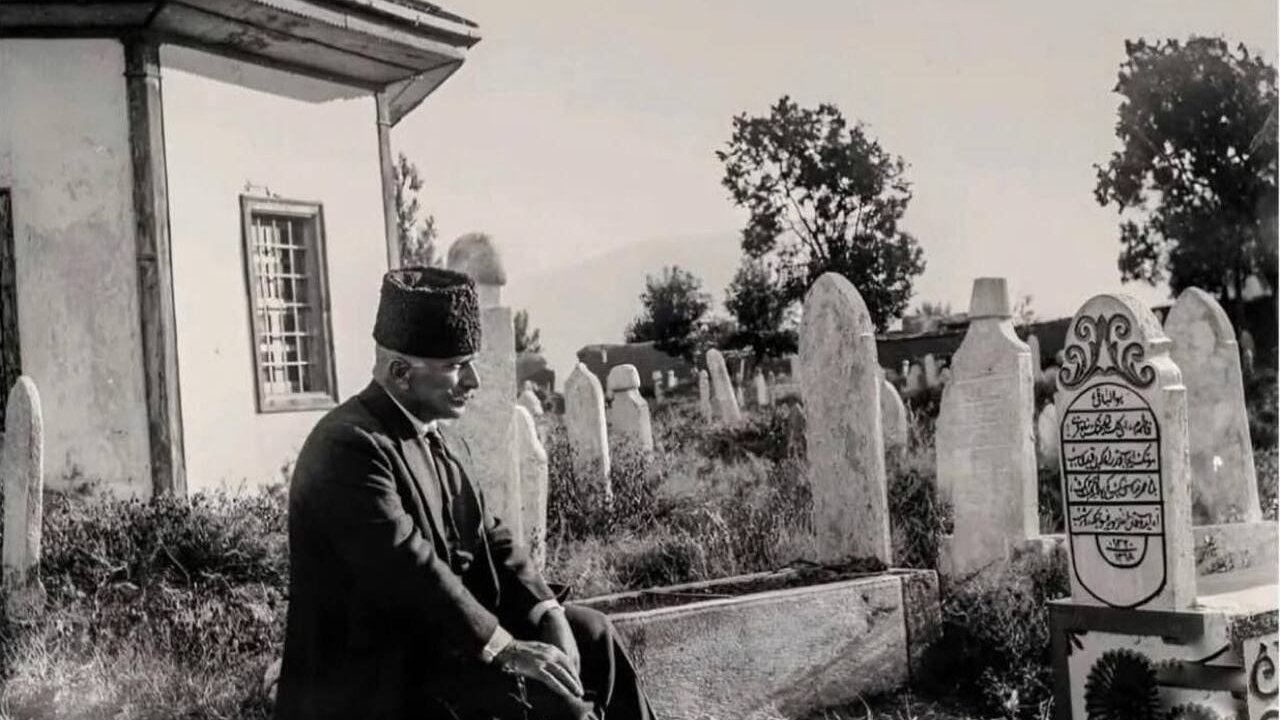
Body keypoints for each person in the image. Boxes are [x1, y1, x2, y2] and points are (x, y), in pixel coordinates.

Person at [275, 267, 655, 720]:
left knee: (592, 635)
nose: (473, 381)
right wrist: (507, 648)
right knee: (561, 704)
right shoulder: (349, 446)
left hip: (440, 648)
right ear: (400, 372)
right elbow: (410, 572)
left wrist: (547, 610)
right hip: (376, 681)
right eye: (456, 366)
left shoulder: (439, 436)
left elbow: (490, 534)